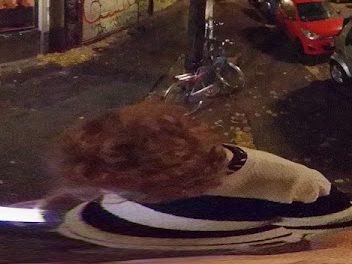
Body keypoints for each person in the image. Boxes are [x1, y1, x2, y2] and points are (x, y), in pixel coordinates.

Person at [41, 102, 352, 251]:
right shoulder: (132, 172)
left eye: (116, 187)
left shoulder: (290, 183)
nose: (108, 193)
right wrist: (56, 201)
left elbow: (338, 240)